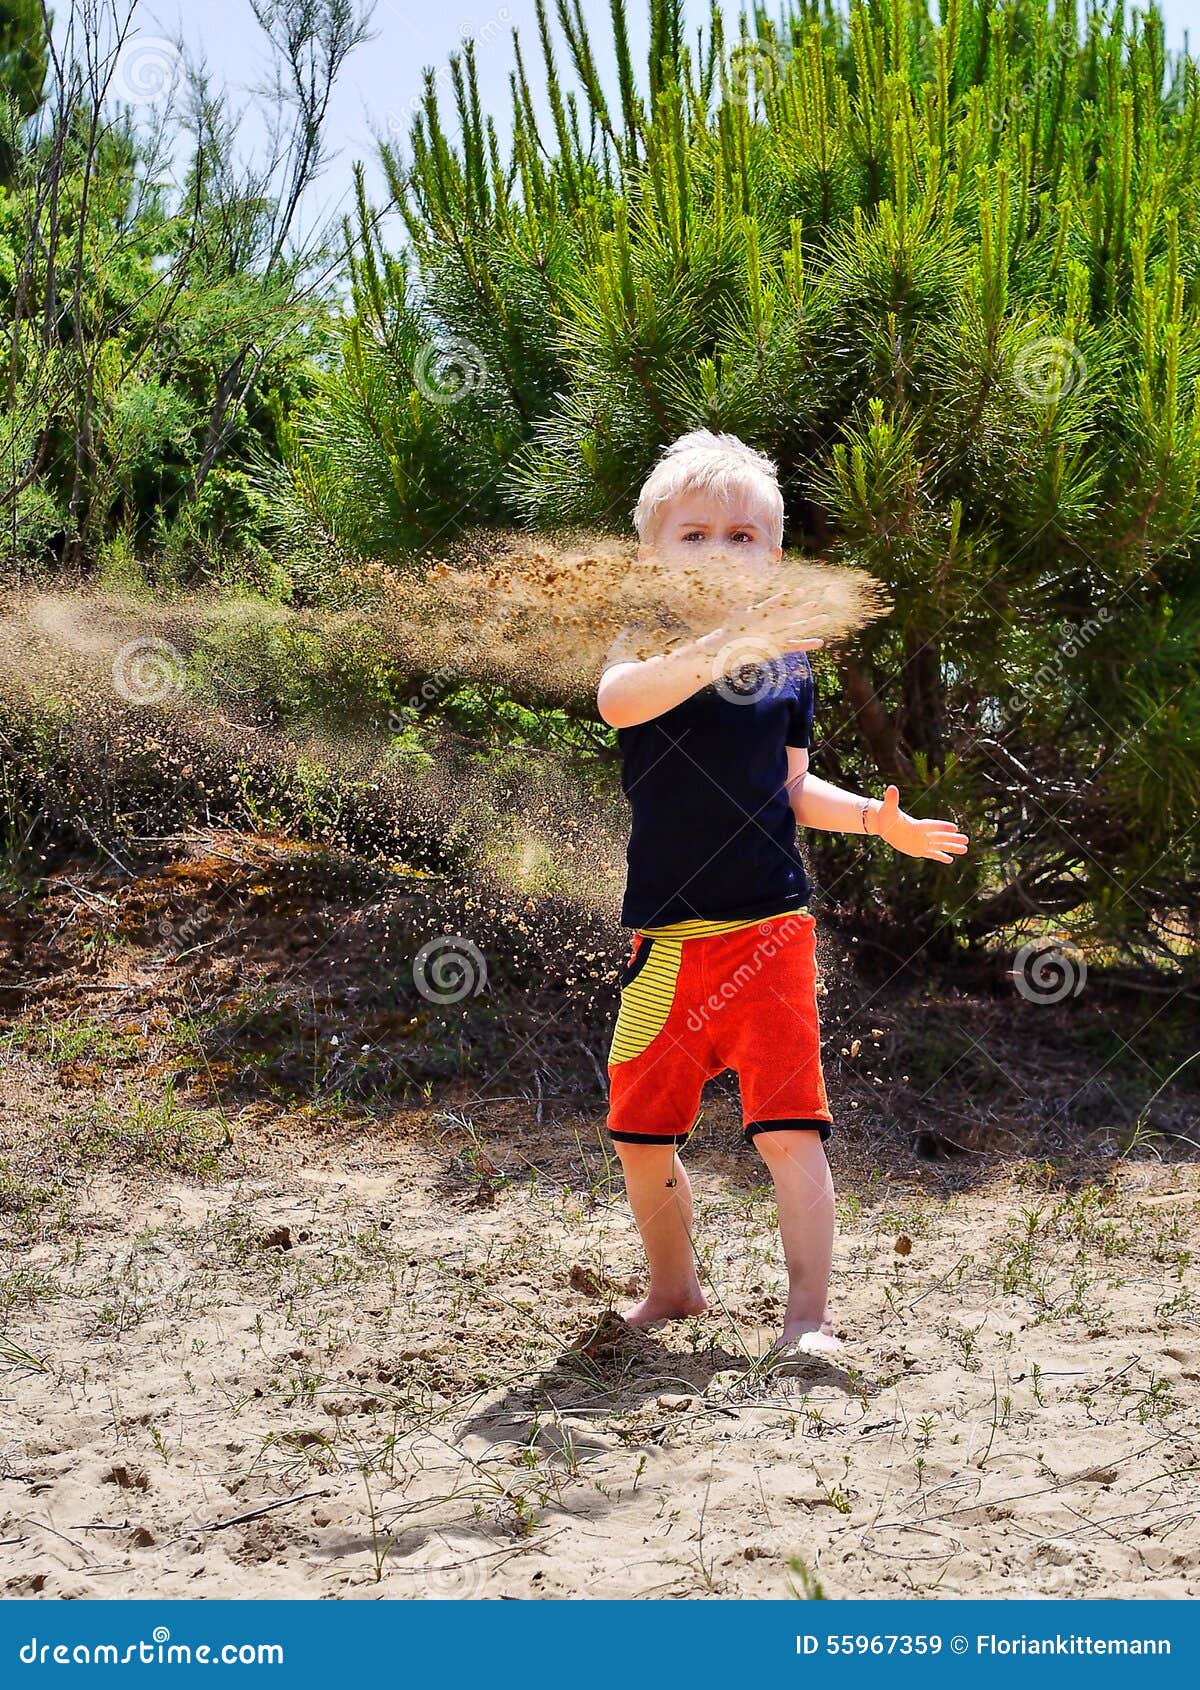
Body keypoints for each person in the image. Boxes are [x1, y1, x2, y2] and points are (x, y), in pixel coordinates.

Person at [597, 429, 970, 1362]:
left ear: (772, 556)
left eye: (742, 536)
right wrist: (730, 643)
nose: (718, 551)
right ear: (652, 555)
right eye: (693, 535)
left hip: (768, 933)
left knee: (787, 1131)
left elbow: (793, 788)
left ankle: (808, 1317)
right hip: (666, 943)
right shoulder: (647, 641)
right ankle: (674, 1290)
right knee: (639, 1133)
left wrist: (876, 821)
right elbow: (620, 702)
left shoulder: (789, 665)